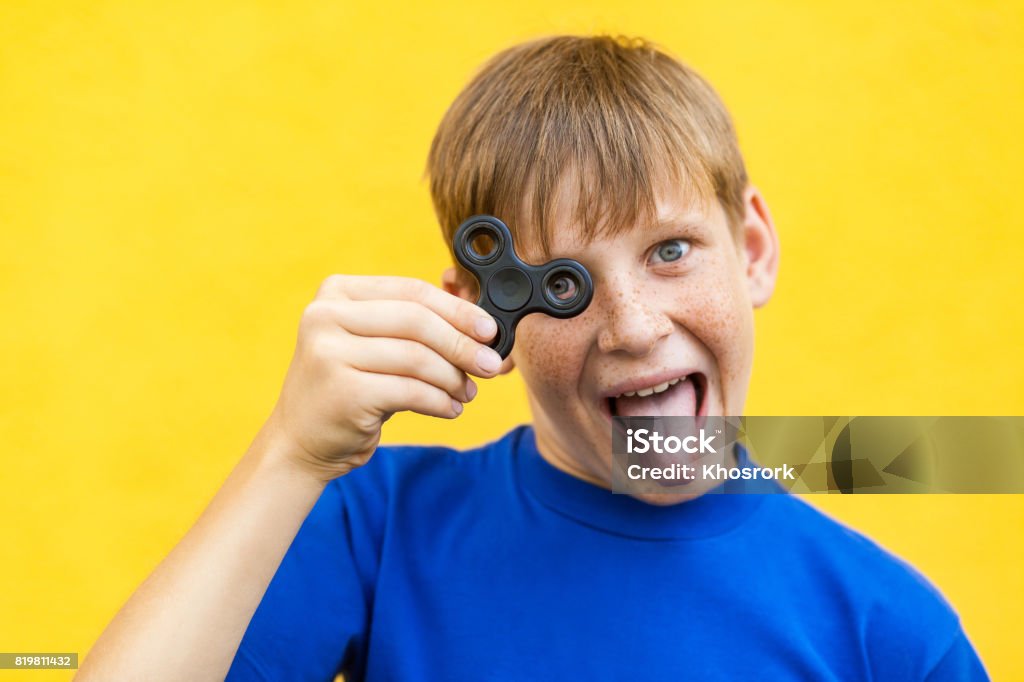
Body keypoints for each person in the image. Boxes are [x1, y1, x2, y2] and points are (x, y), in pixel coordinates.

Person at [77, 35, 989, 681]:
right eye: (561, 283)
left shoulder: (888, 629)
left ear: (750, 248)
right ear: (481, 311)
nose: (633, 327)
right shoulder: (375, 527)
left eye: (670, 250)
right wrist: (289, 453)